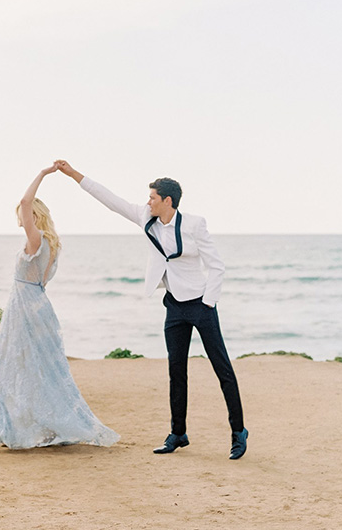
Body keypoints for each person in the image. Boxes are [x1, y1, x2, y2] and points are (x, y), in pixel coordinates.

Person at [55, 160, 247, 460]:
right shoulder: (146, 217)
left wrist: (208, 302)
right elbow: (111, 200)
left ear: (167, 201)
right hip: (173, 306)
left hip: (201, 305)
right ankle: (178, 433)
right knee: (176, 370)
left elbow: (217, 265)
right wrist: (73, 175)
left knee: (221, 368)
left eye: (153, 197)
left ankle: (238, 432)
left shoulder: (195, 224)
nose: (148, 202)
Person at [0, 163, 120, 449]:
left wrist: (42, 174)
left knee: (5, 365)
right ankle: (29, 427)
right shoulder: (52, 244)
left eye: (23, 214)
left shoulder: (36, 239)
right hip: (37, 305)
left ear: (35, 215)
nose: (19, 216)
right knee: (37, 369)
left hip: (26, 309)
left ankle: (14, 428)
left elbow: (25, 201)